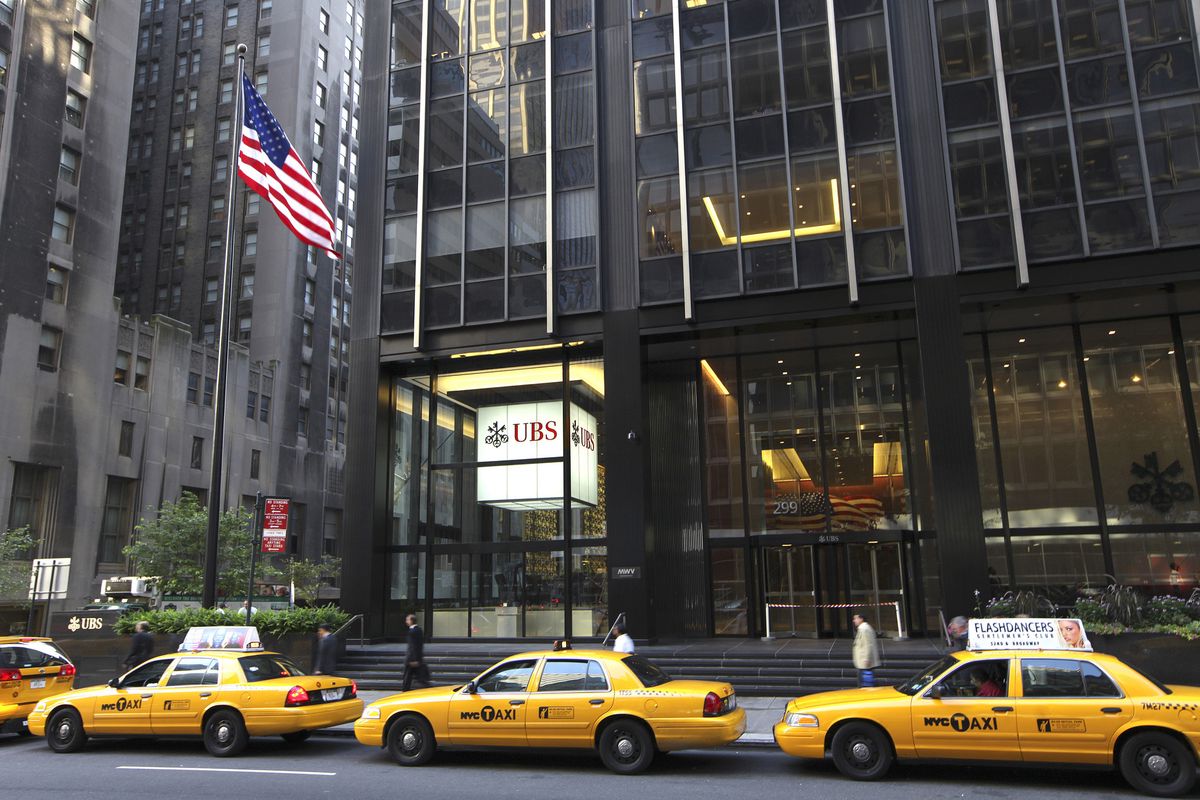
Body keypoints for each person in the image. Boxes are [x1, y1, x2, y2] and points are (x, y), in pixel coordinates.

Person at [402, 613, 431, 691]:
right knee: (420, 678)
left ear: (411, 621)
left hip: (412, 659)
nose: (406, 621)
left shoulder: (412, 632)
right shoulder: (419, 630)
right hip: (417, 658)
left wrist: (413, 660)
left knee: (407, 678)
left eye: (407, 619)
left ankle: (405, 692)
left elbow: (413, 646)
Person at [851, 613, 880, 687]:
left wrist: (866, 659)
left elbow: (868, 644)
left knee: (865, 684)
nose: (854, 621)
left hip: (864, 663)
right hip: (863, 663)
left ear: (861, 619)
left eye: (856, 618)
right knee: (864, 683)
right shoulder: (864, 628)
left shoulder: (864, 629)